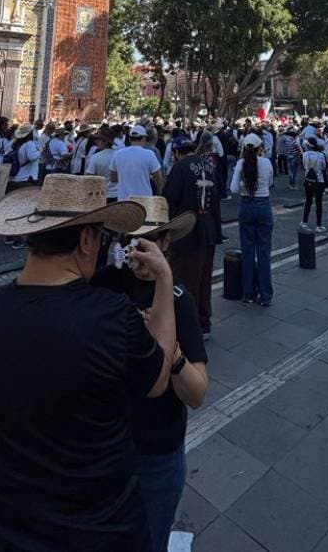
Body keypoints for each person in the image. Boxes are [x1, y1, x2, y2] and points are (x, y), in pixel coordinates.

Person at [0, 173, 176, 549]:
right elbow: (157, 380)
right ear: (87, 240)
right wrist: (165, 279)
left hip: (3, 534)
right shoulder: (111, 317)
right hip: (101, 533)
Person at [91, 197, 208, 552]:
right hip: (105, 445)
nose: (141, 251)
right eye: (133, 240)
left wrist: (169, 352)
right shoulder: (105, 283)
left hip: (157, 448)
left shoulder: (179, 299)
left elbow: (197, 393)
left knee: (151, 539)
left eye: (152, 240)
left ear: (168, 243)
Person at [163, 136, 221, 338]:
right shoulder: (209, 164)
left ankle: (189, 326)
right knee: (205, 279)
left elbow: (168, 199)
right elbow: (218, 197)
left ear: (176, 152)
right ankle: (204, 322)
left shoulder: (179, 168)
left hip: (186, 231)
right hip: (209, 228)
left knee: (186, 281)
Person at [232, 133, 274, 306]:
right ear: (259, 148)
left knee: (248, 251)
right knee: (264, 252)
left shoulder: (240, 164)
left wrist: (243, 184)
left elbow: (233, 188)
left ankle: (248, 293)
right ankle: (265, 295)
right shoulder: (266, 163)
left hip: (246, 205)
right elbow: (270, 182)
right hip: (263, 204)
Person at [111, 125, 164, 200]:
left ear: (129, 139)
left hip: (124, 201)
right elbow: (158, 177)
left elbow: (113, 178)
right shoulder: (149, 154)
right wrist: (160, 191)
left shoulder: (118, 154)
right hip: (144, 200)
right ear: (144, 138)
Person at [301, 137, 328, 233]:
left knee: (308, 201)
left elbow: (304, 167)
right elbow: (323, 168)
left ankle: (304, 221)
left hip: (308, 180)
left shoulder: (305, 155)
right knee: (319, 203)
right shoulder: (321, 155)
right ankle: (319, 224)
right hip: (319, 181)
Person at [85, 128, 119, 201]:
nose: (96, 142)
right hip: (117, 194)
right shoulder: (119, 155)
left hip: (102, 194)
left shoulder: (96, 157)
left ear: (105, 142)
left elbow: (89, 178)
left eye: (99, 140)